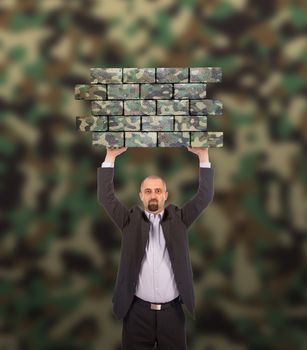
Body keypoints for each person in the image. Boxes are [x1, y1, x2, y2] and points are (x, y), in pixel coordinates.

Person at [97, 146, 214, 350]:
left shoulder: (180, 219)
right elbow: (106, 198)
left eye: (158, 191)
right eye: (148, 191)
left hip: (173, 314)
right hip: (136, 314)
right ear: (141, 195)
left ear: (165, 195)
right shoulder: (129, 221)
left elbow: (204, 197)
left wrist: (203, 156)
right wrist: (111, 155)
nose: (153, 195)